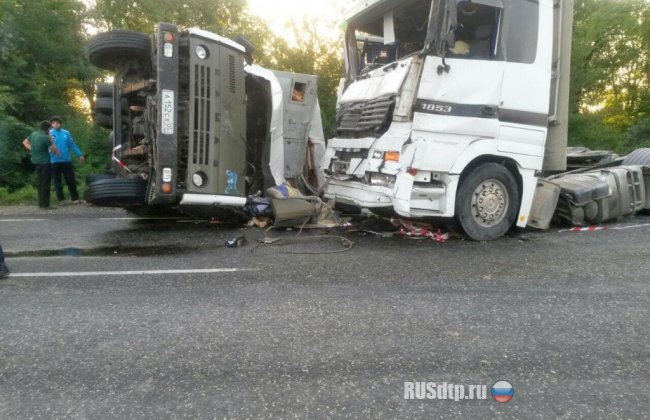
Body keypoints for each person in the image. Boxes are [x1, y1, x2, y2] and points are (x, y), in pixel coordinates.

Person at [23, 121, 59, 209]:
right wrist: (51, 139)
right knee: (46, 183)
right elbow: (54, 150)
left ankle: (41, 203)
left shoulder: (34, 134)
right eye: (50, 128)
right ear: (47, 129)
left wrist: (33, 150)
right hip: (45, 162)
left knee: (40, 183)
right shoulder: (45, 137)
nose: (50, 130)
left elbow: (25, 142)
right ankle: (45, 205)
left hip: (36, 162)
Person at [49, 116, 85, 204]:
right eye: (54, 123)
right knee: (57, 182)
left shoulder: (66, 133)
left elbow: (72, 145)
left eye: (57, 123)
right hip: (54, 161)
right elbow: (45, 146)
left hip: (66, 160)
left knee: (70, 180)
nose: (56, 125)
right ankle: (61, 200)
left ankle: (75, 198)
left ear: (60, 124)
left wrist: (80, 154)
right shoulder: (48, 133)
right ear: (51, 124)